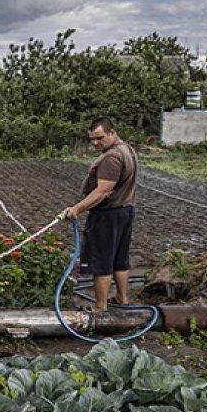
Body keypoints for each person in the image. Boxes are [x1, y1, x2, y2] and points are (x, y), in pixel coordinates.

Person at [65, 116, 138, 312]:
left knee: (101, 260)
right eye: (92, 139)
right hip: (125, 211)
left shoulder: (111, 158)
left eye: (100, 137)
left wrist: (77, 209)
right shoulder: (127, 149)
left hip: (108, 215)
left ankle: (100, 307)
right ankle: (122, 299)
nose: (96, 143)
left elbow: (103, 191)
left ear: (112, 132)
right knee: (119, 259)